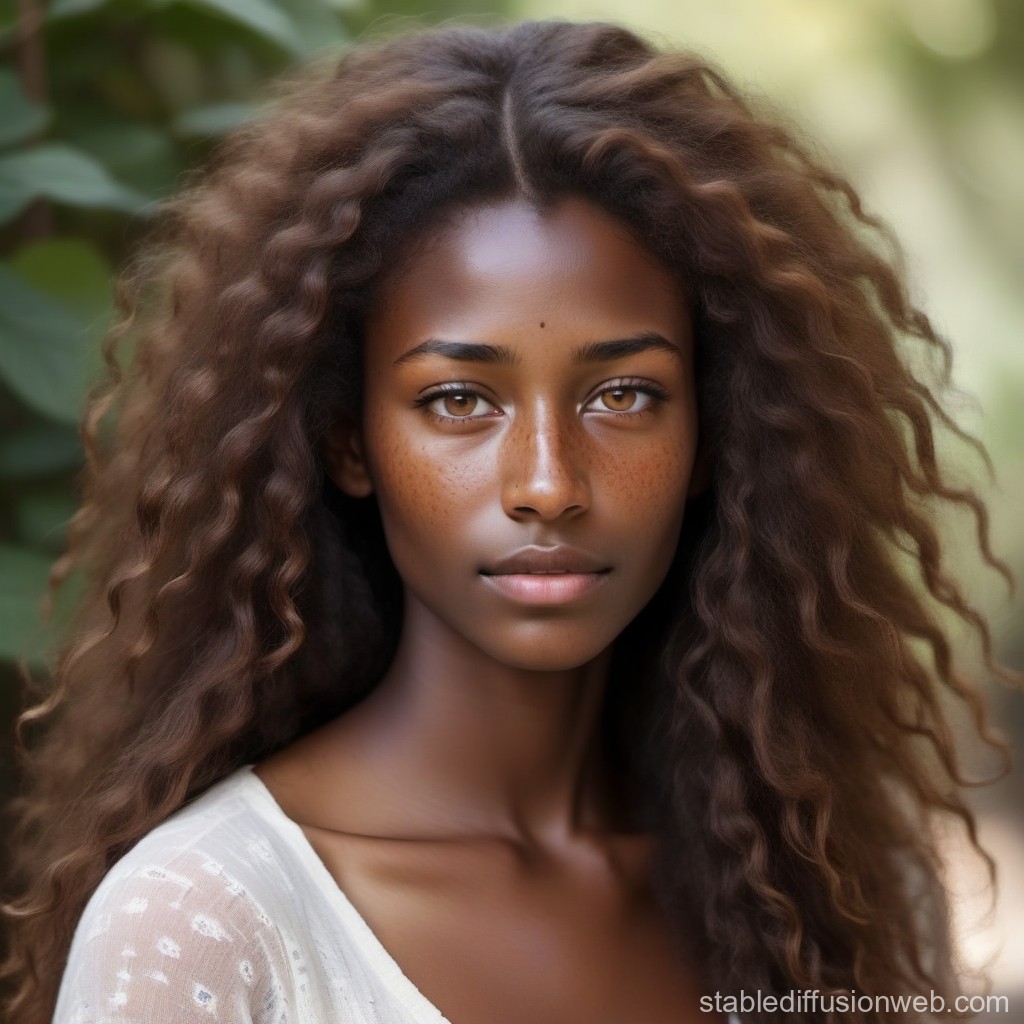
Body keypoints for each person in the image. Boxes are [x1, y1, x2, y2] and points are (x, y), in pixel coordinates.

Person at [1, 18, 1016, 1024]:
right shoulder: (200, 929)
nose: (545, 483)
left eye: (622, 395)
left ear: (717, 435)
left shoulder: (832, 886)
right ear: (348, 442)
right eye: (458, 401)